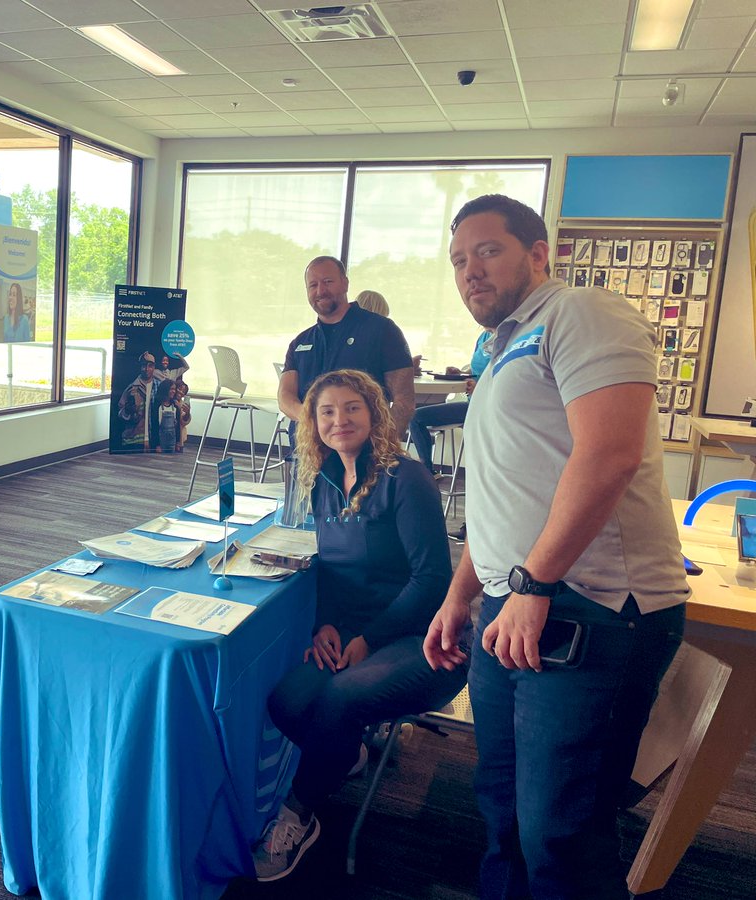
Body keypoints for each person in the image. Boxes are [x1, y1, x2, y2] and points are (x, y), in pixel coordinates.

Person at [423, 194, 688, 900]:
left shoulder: (582, 313)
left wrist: (535, 586)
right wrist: (460, 597)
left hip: (594, 610)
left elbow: (609, 456)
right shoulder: (505, 344)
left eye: (487, 250)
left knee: (561, 834)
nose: (469, 271)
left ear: (539, 254)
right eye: (457, 260)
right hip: (513, 610)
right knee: (504, 811)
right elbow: (504, 493)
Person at [252, 369, 466, 882]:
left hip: (422, 636)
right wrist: (325, 624)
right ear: (313, 422)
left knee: (336, 702)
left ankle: (298, 815)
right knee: (284, 701)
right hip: (349, 633)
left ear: (373, 413)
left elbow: (432, 580)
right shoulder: (323, 477)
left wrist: (368, 640)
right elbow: (328, 565)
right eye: (326, 411)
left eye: (351, 408)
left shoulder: (405, 478)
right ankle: (346, 753)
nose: (338, 419)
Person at [278, 257, 416, 439]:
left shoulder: (382, 330)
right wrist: (310, 417)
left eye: (328, 282)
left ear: (345, 283)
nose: (320, 290)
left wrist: (382, 446)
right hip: (307, 452)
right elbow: (285, 395)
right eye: (313, 285)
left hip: (364, 455)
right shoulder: (300, 342)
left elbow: (404, 401)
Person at [407, 328, 493, 475]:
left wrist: (480, 387)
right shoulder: (484, 337)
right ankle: (428, 472)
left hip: (487, 406)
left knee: (416, 417)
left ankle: (426, 473)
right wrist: (460, 374)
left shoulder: (508, 338)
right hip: (472, 403)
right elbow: (476, 371)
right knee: (414, 417)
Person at [117, 350, 188, 450]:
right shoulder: (132, 388)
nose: (146, 369)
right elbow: (121, 412)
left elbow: (170, 408)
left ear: (154, 368)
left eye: (150, 366)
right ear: (140, 367)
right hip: (135, 440)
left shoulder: (160, 387)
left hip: (156, 439)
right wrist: (128, 411)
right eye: (144, 366)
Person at [154, 380, 179, 454]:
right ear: (165, 389)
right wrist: (157, 444)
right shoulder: (157, 406)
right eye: (171, 389)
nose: (173, 391)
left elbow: (177, 427)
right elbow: (155, 426)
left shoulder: (175, 406)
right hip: (161, 441)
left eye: (174, 389)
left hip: (172, 442)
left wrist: (177, 442)